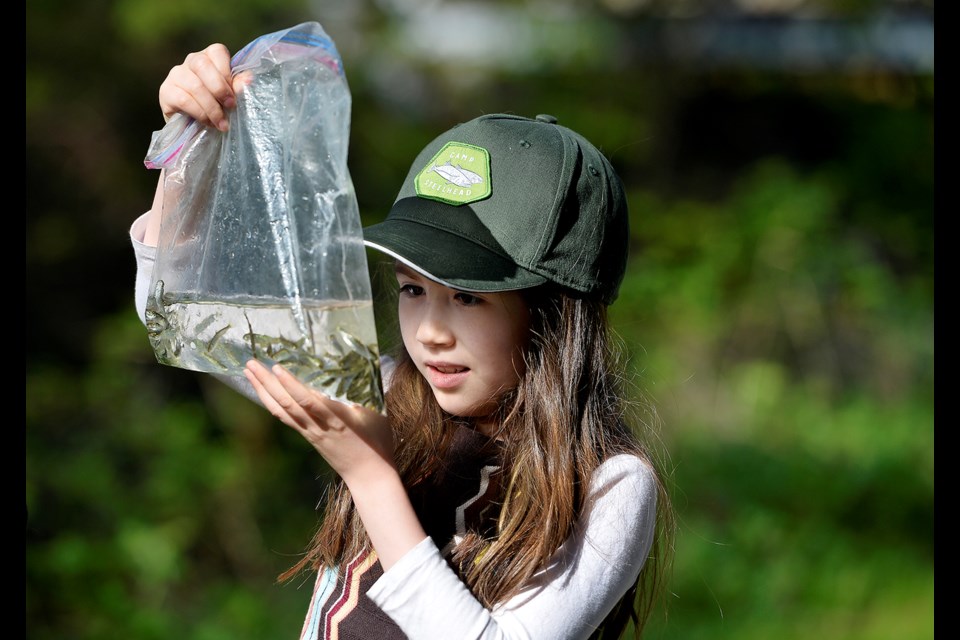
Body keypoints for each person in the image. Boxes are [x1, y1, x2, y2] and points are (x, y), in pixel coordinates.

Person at [131, 43, 674, 639]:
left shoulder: (607, 486)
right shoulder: (383, 388)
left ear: (554, 314)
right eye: (412, 290)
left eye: (468, 297)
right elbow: (181, 314)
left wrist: (370, 475)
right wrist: (188, 137)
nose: (431, 332)